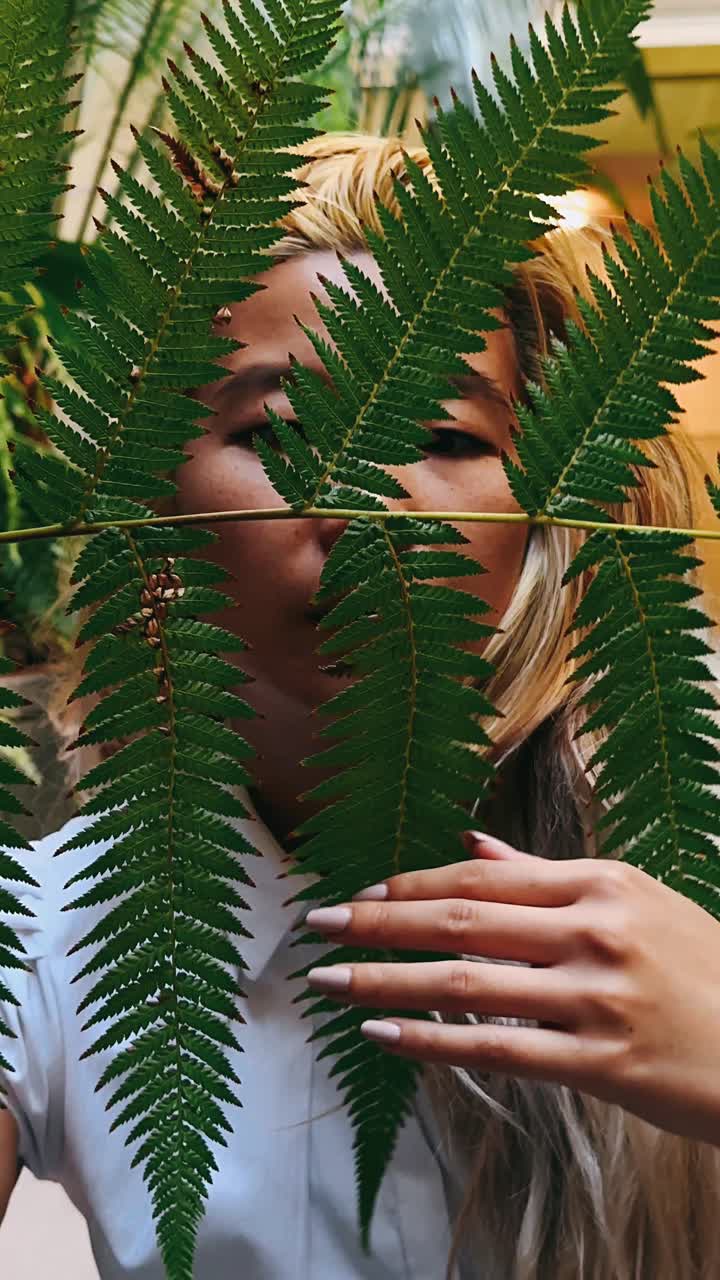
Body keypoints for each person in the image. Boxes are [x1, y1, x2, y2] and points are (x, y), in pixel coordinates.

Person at [1, 132, 720, 1280]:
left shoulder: (695, 848)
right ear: (149, 501)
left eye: (443, 435)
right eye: (281, 430)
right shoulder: (47, 936)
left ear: (552, 505)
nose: (373, 505)